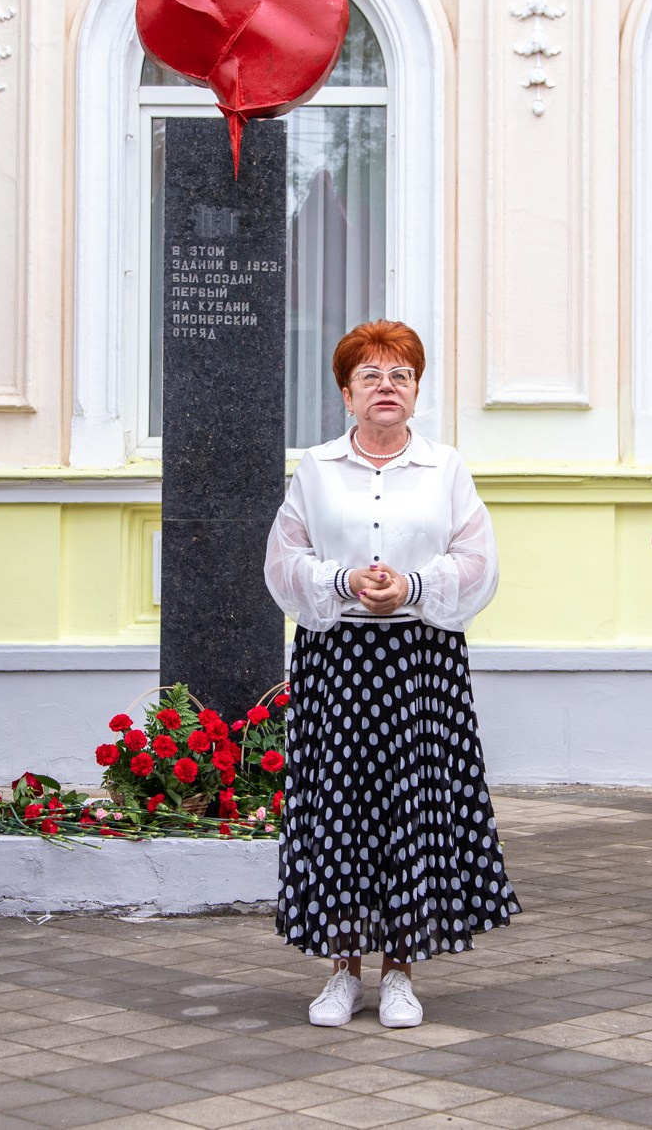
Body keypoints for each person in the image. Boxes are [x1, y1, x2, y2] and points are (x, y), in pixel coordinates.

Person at [263, 320, 519, 1028]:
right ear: (347, 393)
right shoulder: (316, 468)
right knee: (340, 806)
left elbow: (478, 559)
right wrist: (346, 578)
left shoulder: (446, 468)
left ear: (416, 391)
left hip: (419, 662)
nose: (386, 386)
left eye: (400, 375)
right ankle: (341, 967)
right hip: (339, 658)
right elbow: (284, 559)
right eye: (370, 375)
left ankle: (401, 969)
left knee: (413, 805)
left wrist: (408, 585)